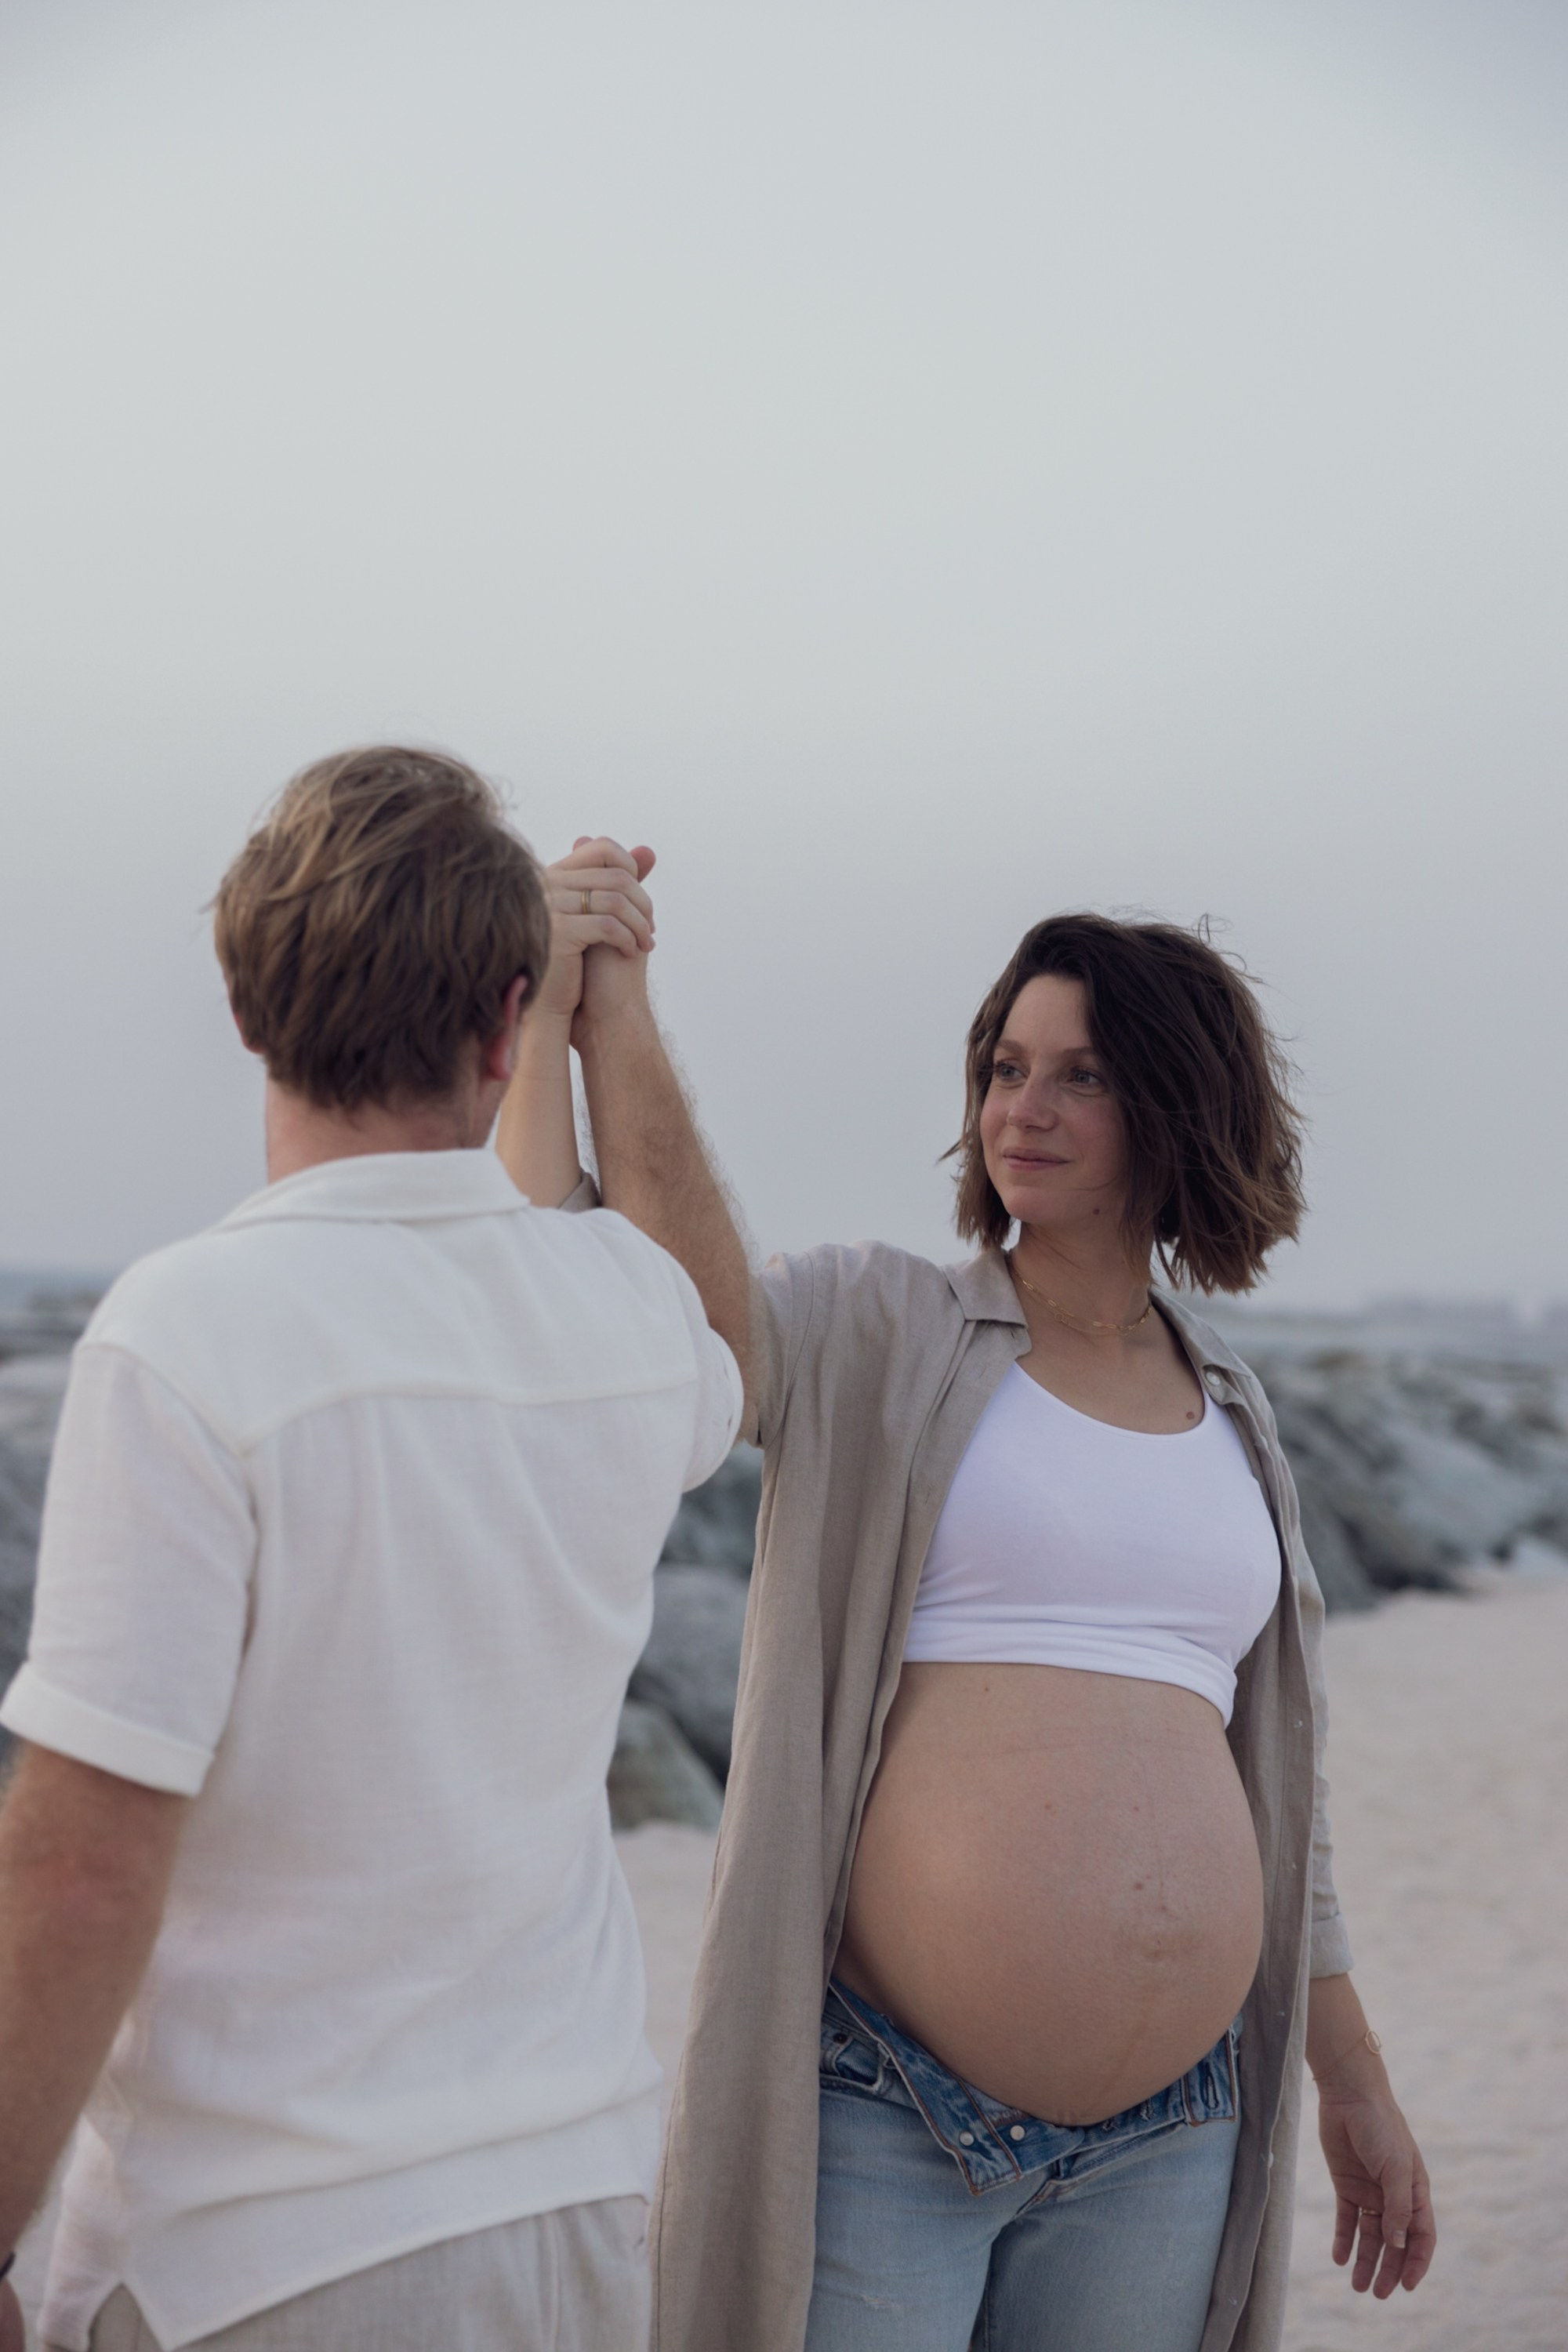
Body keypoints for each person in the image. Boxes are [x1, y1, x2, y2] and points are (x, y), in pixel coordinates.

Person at [501, 892, 1436, 2352]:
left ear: (1180, 1107)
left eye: (1080, 1075)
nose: (1023, 1108)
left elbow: (1283, 1797)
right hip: (893, 2111)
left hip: (1173, 2135)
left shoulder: (1236, 1417)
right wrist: (593, 1004)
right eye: (1006, 1068)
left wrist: (1354, 2077)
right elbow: (659, 1317)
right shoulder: (886, 1329)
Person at [0, 748, 746, 2352]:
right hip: (578, 2212)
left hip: (262, 2254)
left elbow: (83, 1863)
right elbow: (713, 1333)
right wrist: (604, 1008)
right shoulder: (615, 1315)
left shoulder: (187, 1335)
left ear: (244, 1005)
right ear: (503, 1024)